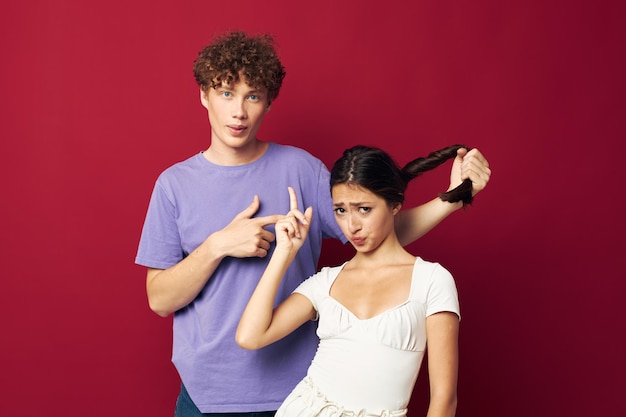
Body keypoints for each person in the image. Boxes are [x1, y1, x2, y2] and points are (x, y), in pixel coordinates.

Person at [135, 30, 491, 416]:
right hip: (206, 395)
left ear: (268, 103)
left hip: (300, 394)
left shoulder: (301, 169)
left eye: (252, 96)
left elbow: (373, 234)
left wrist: (452, 198)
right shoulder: (174, 185)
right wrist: (218, 245)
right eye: (225, 93)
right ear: (204, 96)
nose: (238, 111)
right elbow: (160, 299)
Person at [237, 144, 469, 417]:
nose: (352, 225)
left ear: (395, 205)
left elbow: (443, 400)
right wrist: (284, 254)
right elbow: (250, 336)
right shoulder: (325, 282)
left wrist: (456, 195)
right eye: (341, 210)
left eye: (364, 209)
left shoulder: (432, 281)